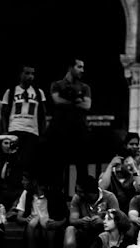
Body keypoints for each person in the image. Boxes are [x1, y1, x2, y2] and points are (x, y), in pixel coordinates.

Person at [48, 58, 92, 189]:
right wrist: (76, 100)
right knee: (58, 166)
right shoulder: (57, 84)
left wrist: (68, 100)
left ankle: (82, 195)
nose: (82, 70)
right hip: (60, 131)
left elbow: (87, 105)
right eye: (79, 67)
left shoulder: (85, 87)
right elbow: (57, 100)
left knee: (82, 167)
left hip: (79, 131)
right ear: (70, 67)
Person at [63, 174, 119, 248]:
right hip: (84, 231)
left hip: (103, 231)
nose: (77, 193)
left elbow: (118, 219)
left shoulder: (109, 197)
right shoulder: (77, 198)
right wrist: (81, 221)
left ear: (89, 192)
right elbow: (72, 220)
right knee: (70, 229)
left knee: (112, 232)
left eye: (80, 191)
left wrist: (102, 221)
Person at [1, 64, 47, 171]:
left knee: (28, 164)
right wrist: (4, 133)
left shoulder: (38, 93)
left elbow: (43, 115)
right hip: (15, 129)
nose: (30, 76)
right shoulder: (11, 91)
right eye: (27, 73)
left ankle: (25, 186)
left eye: (32, 74)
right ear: (21, 74)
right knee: (14, 162)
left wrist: (43, 134)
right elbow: (4, 114)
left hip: (32, 132)